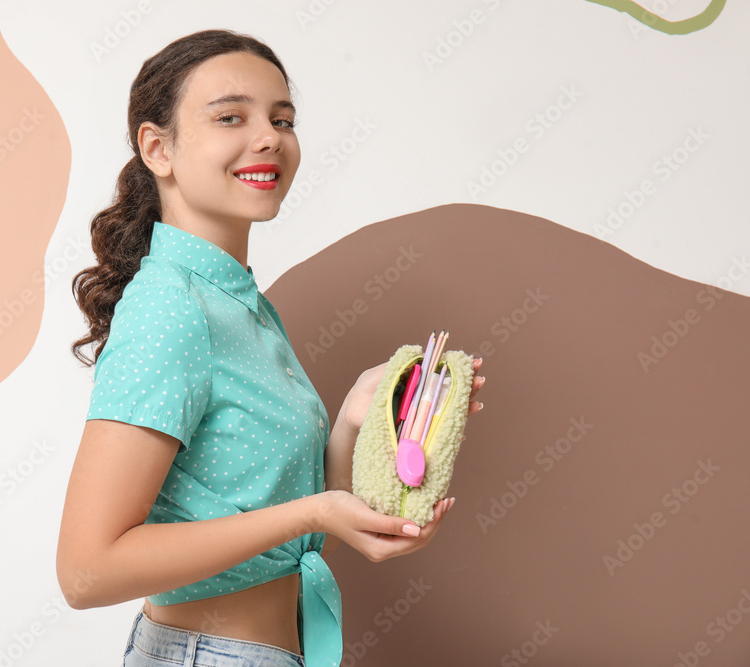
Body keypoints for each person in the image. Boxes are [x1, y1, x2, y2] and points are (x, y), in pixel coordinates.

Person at [56, 28, 485, 667]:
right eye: (232, 116)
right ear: (158, 148)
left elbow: (297, 541)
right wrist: (311, 511)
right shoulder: (173, 307)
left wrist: (355, 421)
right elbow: (86, 572)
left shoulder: (235, 301)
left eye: (282, 118)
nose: (269, 137)